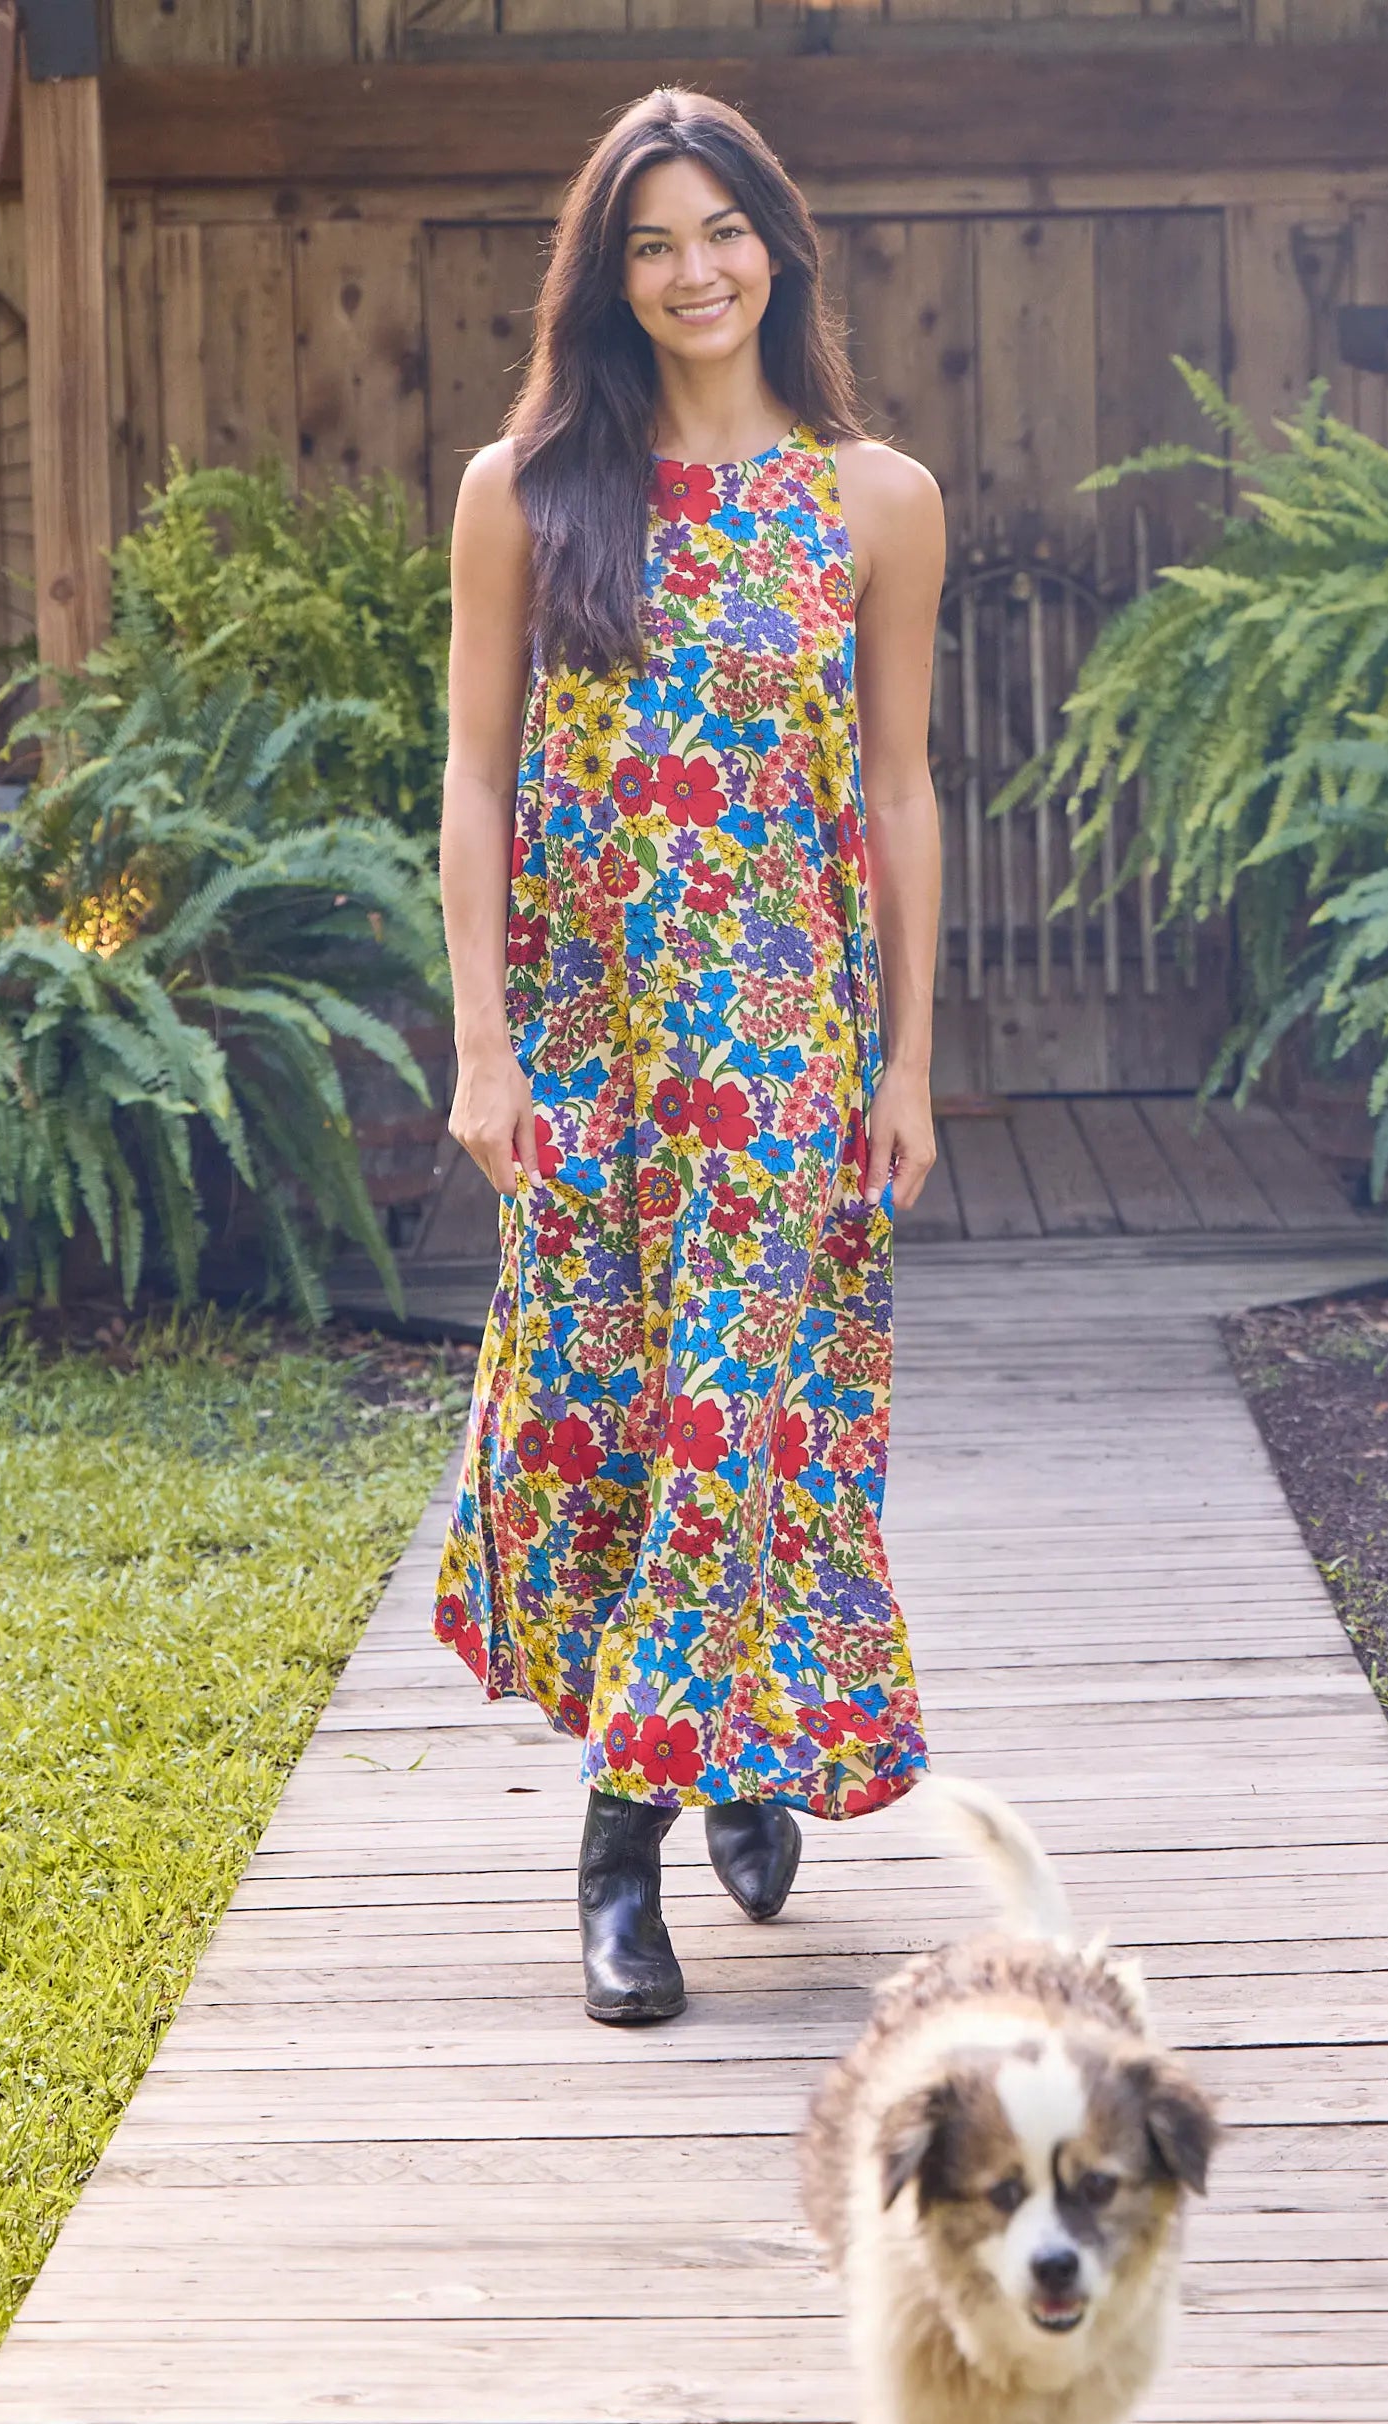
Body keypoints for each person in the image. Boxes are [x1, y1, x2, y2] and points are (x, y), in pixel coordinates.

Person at [431, 88, 942, 2028]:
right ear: (608, 277)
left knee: (744, 1415)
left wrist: (907, 1062)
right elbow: (475, 776)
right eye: (650, 242)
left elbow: (900, 793)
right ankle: (732, 1742)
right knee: (601, 1412)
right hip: (583, 1042)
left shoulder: (871, 501)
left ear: (778, 248)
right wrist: (482, 1043)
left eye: (720, 230)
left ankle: (617, 1856)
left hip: (782, 1043)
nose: (692, 271)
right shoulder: (528, 491)